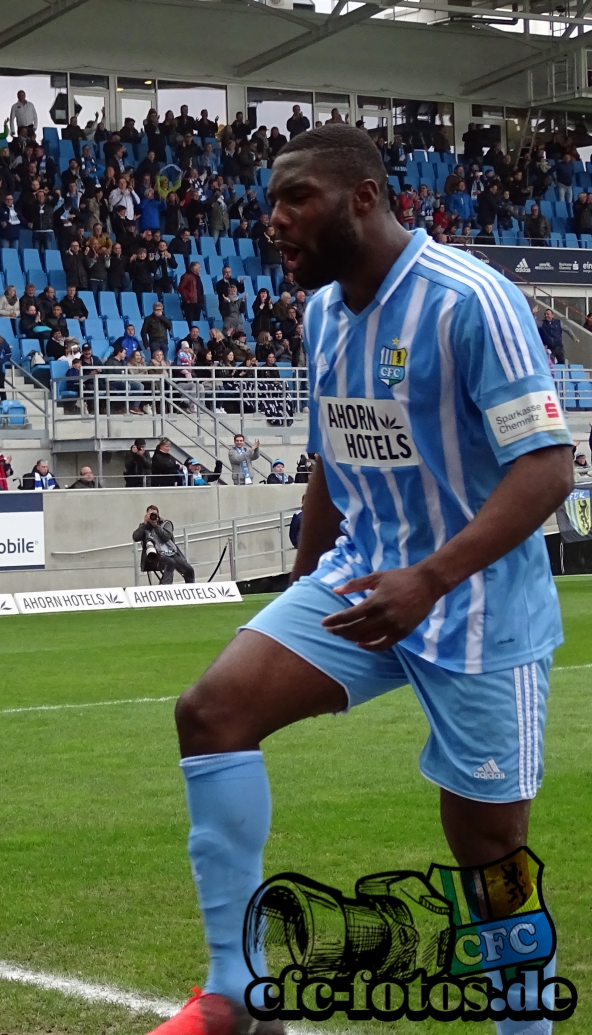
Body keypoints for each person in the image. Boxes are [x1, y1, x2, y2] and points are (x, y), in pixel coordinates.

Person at [149, 124, 575, 1035]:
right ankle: (239, 992)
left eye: (296, 198)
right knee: (212, 709)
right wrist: (297, 588)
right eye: (270, 201)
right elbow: (331, 459)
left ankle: (526, 1029)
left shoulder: (471, 301)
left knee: (490, 857)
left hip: (477, 606)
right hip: (359, 577)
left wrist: (428, 578)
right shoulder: (321, 314)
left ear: (366, 198)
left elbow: (546, 469)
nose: (273, 220)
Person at [132, 505, 196, 584]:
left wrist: (155, 525)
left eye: (154, 514)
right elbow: (135, 537)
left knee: (189, 570)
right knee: (170, 562)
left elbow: (166, 537)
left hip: (171, 553)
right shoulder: (144, 527)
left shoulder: (166, 524)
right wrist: (144, 524)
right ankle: (166, 588)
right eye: (150, 514)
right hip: (154, 556)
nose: (152, 516)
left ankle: (190, 588)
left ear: (158, 515)